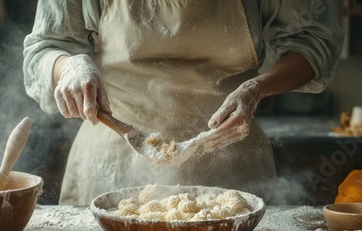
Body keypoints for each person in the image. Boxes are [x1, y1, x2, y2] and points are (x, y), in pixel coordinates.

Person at [23, 0, 343, 206]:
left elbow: (314, 42)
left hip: (230, 160)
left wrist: (255, 89)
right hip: (111, 158)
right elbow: (45, 48)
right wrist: (69, 66)